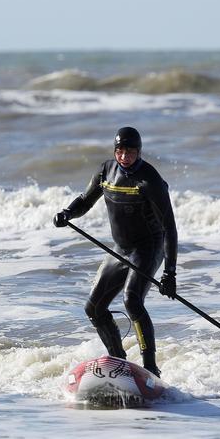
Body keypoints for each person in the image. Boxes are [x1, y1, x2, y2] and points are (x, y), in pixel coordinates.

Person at [53, 126, 178, 377]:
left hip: (148, 248)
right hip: (120, 250)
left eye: (130, 152)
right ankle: (118, 359)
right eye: (120, 151)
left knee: (132, 300)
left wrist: (170, 274)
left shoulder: (149, 180)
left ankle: (150, 368)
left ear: (139, 152)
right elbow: (85, 200)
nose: (124, 157)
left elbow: (170, 228)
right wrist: (67, 212)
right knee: (93, 308)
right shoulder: (105, 171)